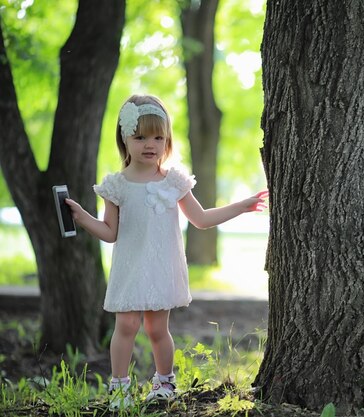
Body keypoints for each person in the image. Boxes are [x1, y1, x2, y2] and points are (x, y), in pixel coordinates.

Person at [65, 94, 267, 410]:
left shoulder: (173, 181)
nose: (151, 144)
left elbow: (200, 219)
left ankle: (164, 383)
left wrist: (241, 206)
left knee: (158, 328)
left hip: (161, 265)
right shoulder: (116, 185)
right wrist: (81, 217)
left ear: (167, 140)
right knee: (126, 326)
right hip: (130, 266)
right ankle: (119, 388)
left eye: (159, 137)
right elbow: (110, 232)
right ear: (125, 138)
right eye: (141, 136)